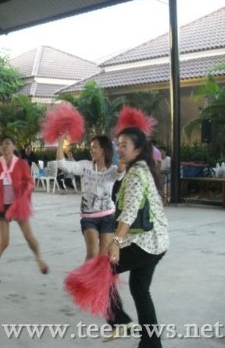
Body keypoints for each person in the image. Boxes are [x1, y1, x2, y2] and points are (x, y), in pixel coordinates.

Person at [105, 127, 169, 347]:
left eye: (124, 145)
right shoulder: (142, 169)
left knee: (100, 272)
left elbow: (130, 212)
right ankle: (151, 343)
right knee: (140, 289)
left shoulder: (136, 173)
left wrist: (115, 243)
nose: (119, 149)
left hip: (146, 245)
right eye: (118, 144)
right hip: (157, 243)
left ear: (138, 149)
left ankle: (119, 320)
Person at [0, 135, 48, 283]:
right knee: (4, 242)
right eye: (2, 144)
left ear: (14, 146)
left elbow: (30, 182)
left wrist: (26, 190)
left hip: (18, 206)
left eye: (8, 144)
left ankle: (39, 259)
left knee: (29, 236)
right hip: (2, 206)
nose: (5, 146)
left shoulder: (21, 164)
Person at [56, 134, 124, 260]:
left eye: (94, 147)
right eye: (91, 147)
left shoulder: (112, 170)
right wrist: (60, 141)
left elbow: (121, 171)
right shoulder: (85, 166)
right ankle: (85, 279)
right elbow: (62, 164)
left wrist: (122, 148)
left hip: (108, 217)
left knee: (104, 255)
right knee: (93, 252)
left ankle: (100, 279)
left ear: (103, 149)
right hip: (89, 218)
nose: (91, 150)